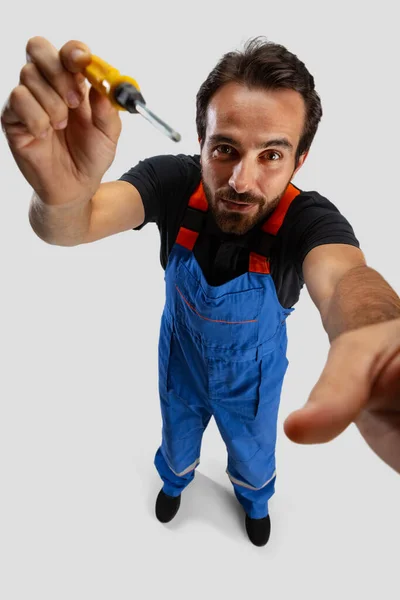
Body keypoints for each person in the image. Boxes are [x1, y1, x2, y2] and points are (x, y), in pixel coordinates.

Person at [2, 36, 399, 548]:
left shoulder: (308, 220)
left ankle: (254, 501)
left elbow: (345, 277)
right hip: (181, 358)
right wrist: (61, 195)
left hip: (253, 378)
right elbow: (71, 225)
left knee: (254, 453)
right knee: (177, 436)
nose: (241, 180)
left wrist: (377, 330)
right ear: (201, 140)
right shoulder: (171, 183)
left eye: (271, 155)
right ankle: (174, 482)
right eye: (225, 149)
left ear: (299, 160)